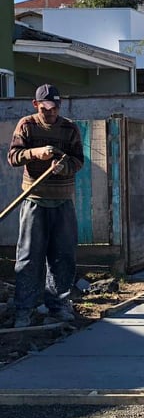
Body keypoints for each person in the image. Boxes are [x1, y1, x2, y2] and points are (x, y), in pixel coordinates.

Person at [7, 84, 85, 329]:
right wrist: (35, 153)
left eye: (55, 107)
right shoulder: (27, 126)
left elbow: (78, 161)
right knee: (29, 257)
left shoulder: (69, 128)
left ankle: (59, 305)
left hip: (62, 201)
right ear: (36, 105)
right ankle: (24, 310)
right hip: (35, 200)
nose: (50, 112)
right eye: (46, 108)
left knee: (63, 255)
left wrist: (65, 166)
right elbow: (13, 157)